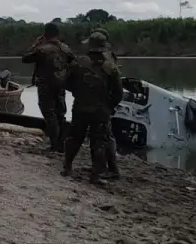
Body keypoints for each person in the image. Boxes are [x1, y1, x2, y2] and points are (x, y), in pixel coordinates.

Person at [64, 34, 123, 184]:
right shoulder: (111, 68)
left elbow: (66, 82)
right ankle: (96, 174)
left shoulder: (77, 63)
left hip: (80, 106)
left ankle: (67, 167)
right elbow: (118, 93)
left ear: (90, 45)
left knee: (74, 137)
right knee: (98, 141)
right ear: (104, 47)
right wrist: (110, 106)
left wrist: (78, 93)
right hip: (101, 109)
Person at [21, 23, 75, 153]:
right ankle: (61, 145)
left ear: (45, 34)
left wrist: (35, 44)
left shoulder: (42, 49)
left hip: (46, 85)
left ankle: (54, 145)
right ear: (57, 34)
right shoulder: (66, 48)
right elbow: (74, 64)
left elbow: (25, 58)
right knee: (61, 114)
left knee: (49, 114)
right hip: (61, 85)